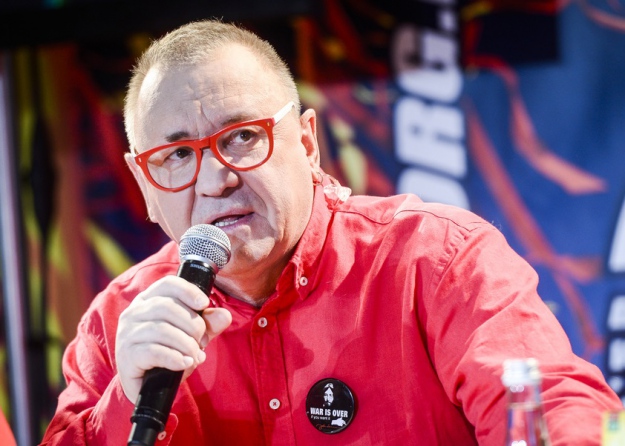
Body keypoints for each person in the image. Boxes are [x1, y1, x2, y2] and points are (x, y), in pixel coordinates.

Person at [42, 19, 622, 445]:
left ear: (306, 142)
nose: (216, 179)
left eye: (242, 137)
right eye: (176, 155)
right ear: (145, 186)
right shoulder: (118, 322)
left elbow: (556, 408)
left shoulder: (436, 260)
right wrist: (126, 400)